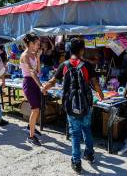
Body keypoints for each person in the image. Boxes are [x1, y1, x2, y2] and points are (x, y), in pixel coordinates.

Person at [42, 38, 104, 174]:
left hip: (70, 104)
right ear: (82, 50)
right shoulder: (87, 65)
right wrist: (100, 94)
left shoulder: (64, 65)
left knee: (75, 133)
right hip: (86, 103)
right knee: (86, 128)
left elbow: (53, 81)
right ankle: (89, 153)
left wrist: (45, 87)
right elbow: (95, 83)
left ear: (70, 49)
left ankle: (76, 162)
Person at [19, 33, 43, 146]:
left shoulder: (33, 54)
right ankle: (31, 136)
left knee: (37, 108)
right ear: (31, 43)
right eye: (37, 43)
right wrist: (40, 85)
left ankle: (31, 128)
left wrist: (38, 58)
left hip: (34, 82)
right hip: (29, 82)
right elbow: (32, 72)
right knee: (35, 109)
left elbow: (38, 71)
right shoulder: (25, 55)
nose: (38, 46)